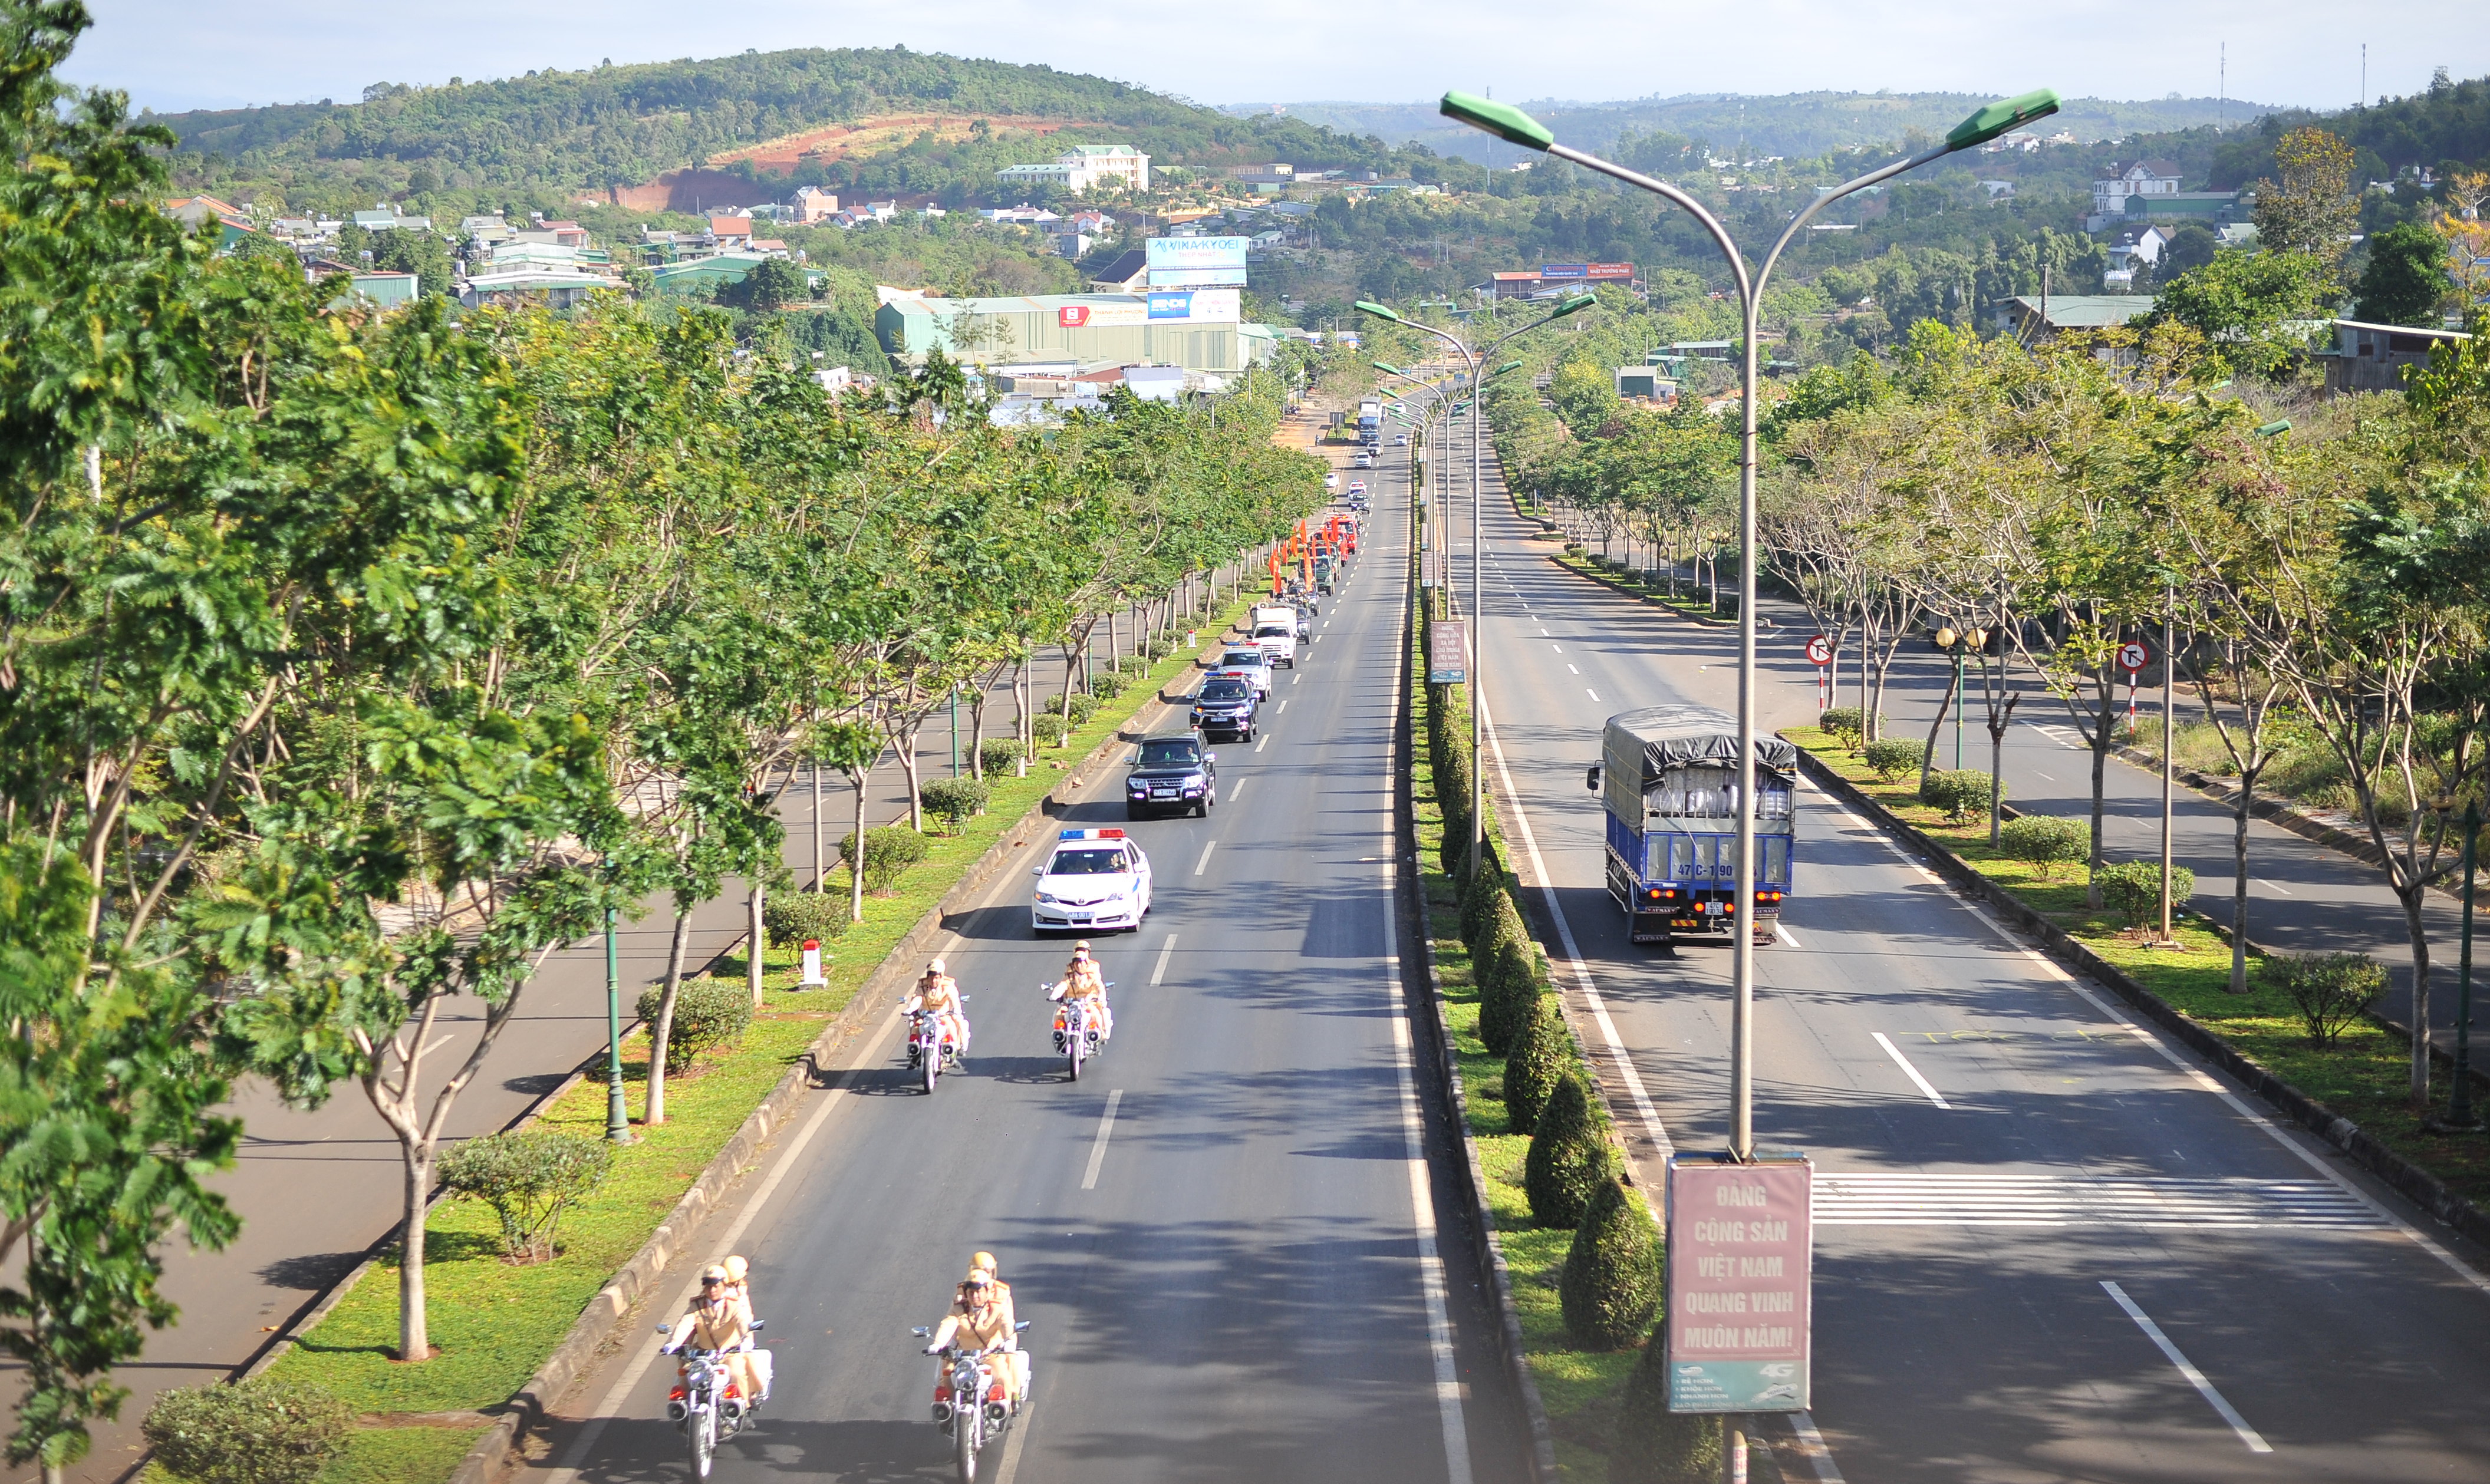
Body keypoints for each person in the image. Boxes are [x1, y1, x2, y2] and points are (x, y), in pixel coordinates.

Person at [924, 1262, 1028, 1406]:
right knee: (946, 1379)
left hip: (989, 1356)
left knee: (1004, 1378)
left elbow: (1007, 1325)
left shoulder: (997, 1308)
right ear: (966, 1293)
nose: (975, 1295)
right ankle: (946, 1414)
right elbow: (948, 1323)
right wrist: (938, 1344)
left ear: (987, 1291)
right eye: (971, 1292)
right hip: (962, 1358)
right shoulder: (959, 1308)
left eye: (979, 1291)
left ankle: (1006, 1410)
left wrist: (1010, 1340)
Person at [663, 1264, 763, 1410]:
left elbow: (742, 1321)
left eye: (716, 1285)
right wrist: (674, 1343)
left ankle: (743, 1408)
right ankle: (683, 1410)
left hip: (730, 1353)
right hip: (702, 1355)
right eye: (708, 1286)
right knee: (685, 1375)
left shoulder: (734, 1304)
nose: (712, 1290)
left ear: (724, 1285)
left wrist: (747, 1339)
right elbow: (686, 1323)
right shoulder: (696, 1305)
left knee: (736, 1373)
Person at [720, 1255, 770, 1401]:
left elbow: (745, 1319)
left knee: (742, 1368)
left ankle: (746, 1401)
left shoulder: (738, 1291)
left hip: (738, 1339)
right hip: (729, 1342)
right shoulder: (731, 1295)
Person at [901, 957, 969, 1062]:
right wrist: (911, 1008)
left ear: (941, 977)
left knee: (951, 1024)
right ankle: (915, 1052)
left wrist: (956, 1009)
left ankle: (954, 1050)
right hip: (925, 1016)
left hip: (942, 1015)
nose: (934, 981)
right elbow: (918, 998)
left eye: (937, 978)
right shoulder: (923, 986)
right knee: (916, 1026)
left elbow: (953, 998)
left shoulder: (948, 985)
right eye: (931, 977)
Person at [1048, 941, 1111, 1042]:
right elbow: (1063, 985)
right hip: (1071, 1003)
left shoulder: (1092, 973)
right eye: (1077, 962)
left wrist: (1101, 996)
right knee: (1059, 1014)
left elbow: (1099, 986)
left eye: (1082, 962)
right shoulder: (1070, 975)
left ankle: (1100, 1034)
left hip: (1088, 1002)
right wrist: (1055, 995)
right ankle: (1060, 1035)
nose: (1080, 965)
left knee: (1095, 1014)